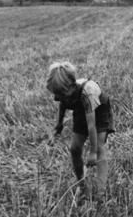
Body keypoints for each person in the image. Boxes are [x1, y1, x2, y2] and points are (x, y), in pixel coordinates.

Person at [47, 61, 115, 197]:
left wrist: (92, 152)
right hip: (80, 109)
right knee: (75, 149)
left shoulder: (87, 93)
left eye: (61, 94)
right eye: (57, 94)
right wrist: (58, 126)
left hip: (99, 110)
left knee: (100, 147)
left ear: (71, 87)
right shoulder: (64, 93)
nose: (58, 97)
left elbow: (91, 125)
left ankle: (100, 191)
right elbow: (63, 105)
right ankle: (82, 185)